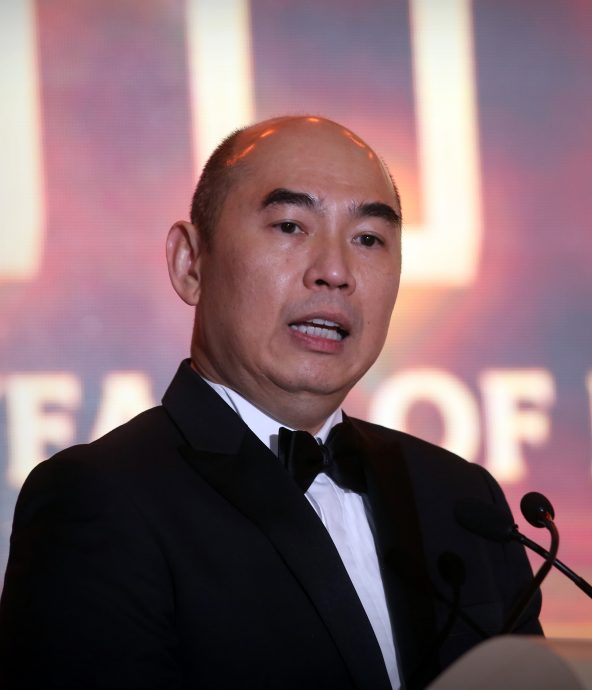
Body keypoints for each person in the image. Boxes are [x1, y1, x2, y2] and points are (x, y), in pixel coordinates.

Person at [0, 116, 541, 690]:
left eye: (368, 239)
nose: (334, 272)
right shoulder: (98, 499)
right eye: (290, 226)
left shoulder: (462, 497)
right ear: (190, 262)